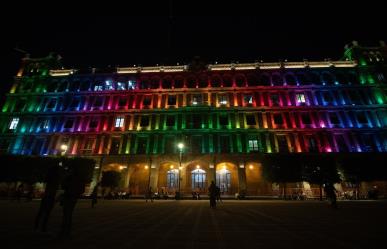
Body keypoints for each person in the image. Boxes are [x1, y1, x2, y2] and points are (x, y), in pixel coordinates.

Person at [34, 165, 63, 232]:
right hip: (50, 196)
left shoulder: (50, 176)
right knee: (47, 213)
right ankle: (43, 226)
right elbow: (55, 188)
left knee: (41, 212)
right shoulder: (56, 178)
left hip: (47, 196)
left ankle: (37, 224)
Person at [59, 168, 86, 238]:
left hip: (68, 196)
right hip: (74, 197)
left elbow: (63, 185)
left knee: (66, 214)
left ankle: (64, 231)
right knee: (69, 214)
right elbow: (82, 190)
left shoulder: (69, 177)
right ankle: (67, 231)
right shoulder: (80, 179)